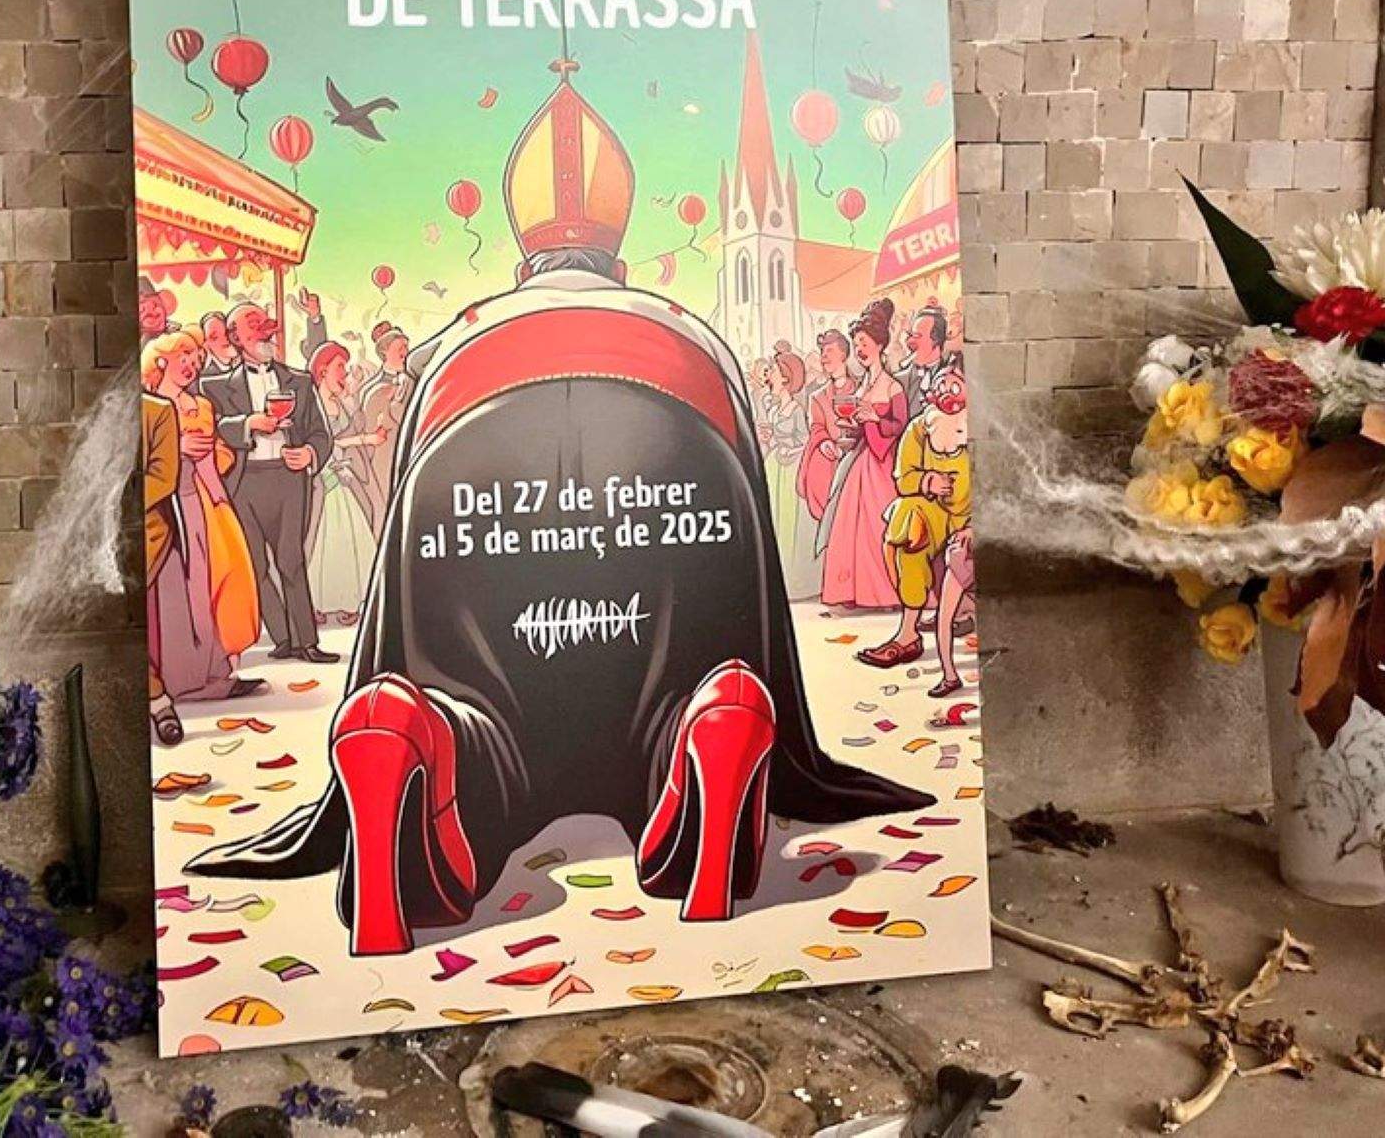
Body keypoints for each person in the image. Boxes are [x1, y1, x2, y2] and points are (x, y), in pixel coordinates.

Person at [189, 54, 931, 955]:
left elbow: (400, 556)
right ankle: (709, 719)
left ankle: (412, 729)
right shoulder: (695, 338)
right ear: (618, 257)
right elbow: (755, 577)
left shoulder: (453, 344)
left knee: (474, 719)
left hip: (472, 489)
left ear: (520, 256)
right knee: (676, 698)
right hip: (675, 485)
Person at [143, 331, 265, 747]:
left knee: (207, 584)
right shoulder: (148, 406)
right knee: (171, 592)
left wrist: (220, 501)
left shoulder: (202, 406)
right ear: (160, 360)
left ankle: (212, 673)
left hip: (196, 501)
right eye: (183, 355)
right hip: (163, 506)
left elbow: (212, 460)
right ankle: (176, 680)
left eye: (195, 356)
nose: (191, 363)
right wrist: (177, 447)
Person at [208, 302, 340, 664]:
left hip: (288, 480)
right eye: (254, 326)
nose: (266, 332)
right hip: (243, 484)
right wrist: (247, 424)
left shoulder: (299, 381)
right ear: (235, 338)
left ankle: (306, 642)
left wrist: (309, 454)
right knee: (255, 565)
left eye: (266, 325)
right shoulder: (214, 386)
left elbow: (321, 434)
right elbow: (210, 426)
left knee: (291, 560)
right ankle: (283, 638)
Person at [862, 356, 974, 680]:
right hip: (934, 513)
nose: (947, 392)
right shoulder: (920, 429)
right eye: (943, 383)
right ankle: (908, 634)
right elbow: (903, 478)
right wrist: (927, 481)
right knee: (908, 519)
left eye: (956, 385)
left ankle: (963, 610)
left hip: (968, 518)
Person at [815, 299, 907, 612]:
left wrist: (874, 419)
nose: (860, 350)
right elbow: (860, 425)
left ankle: (887, 594)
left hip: (883, 464)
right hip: (861, 460)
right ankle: (853, 591)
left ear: (879, 344)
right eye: (856, 345)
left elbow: (900, 426)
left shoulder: (892, 386)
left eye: (864, 344)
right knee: (849, 526)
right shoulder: (864, 384)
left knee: (877, 526)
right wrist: (853, 426)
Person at [305, 340, 383, 625]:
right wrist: (365, 439)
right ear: (323, 370)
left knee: (351, 534)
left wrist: (351, 399)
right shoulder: (311, 405)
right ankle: (317, 601)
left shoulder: (341, 403)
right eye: (340, 367)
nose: (344, 373)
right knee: (321, 538)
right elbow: (325, 442)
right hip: (321, 477)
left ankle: (351, 598)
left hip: (342, 473)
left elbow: (354, 426)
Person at [761, 346, 816, 597]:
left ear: (785, 377)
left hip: (791, 469)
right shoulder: (773, 409)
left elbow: (805, 442)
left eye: (773, 371)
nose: (769, 375)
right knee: (775, 520)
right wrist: (769, 439)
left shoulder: (796, 410)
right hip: (774, 467)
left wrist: (788, 449)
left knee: (791, 523)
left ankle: (798, 582)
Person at [801, 327, 858, 533]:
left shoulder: (862, 388)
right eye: (822, 352)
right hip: (831, 459)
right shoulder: (817, 397)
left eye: (829, 351)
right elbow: (816, 426)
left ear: (843, 354)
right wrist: (824, 441)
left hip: (857, 456)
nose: (824, 357)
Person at [360, 320, 412, 522]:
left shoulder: (413, 381)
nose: (405, 352)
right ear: (385, 351)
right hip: (384, 459)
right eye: (400, 347)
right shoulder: (373, 389)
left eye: (406, 346)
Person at [898, 302, 949, 419]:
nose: (909, 341)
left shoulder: (951, 380)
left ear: (936, 340)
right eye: (910, 335)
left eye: (917, 336)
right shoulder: (898, 380)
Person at [197, 310, 238, 393]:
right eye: (215, 337)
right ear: (206, 345)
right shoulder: (206, 379)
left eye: (226, 332)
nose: (224, 339)